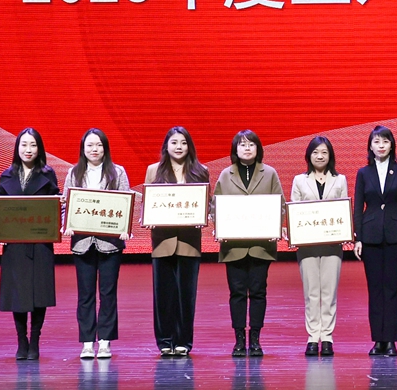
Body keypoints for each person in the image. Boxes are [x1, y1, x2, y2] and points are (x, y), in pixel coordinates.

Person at [62, 128, 131, 360]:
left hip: (110, 243)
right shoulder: (74, 172)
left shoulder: (117, 172)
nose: (94, 149)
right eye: (90, 145)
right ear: (83, 148)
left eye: (99, 145)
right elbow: (66, 204)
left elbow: (125, 203)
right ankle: (87, 342)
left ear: (105, 148)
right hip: (82, 242)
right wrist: (67, 223)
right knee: (85, 294)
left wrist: (124, 227)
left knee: (108, 293)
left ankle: (105, 341)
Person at [213, 129, 283, 357]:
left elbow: (280, 205)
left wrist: (275, 226)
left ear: (258, 149)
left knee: (258, 292)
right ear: (235, 149)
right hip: (233, 246)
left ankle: (255, 339)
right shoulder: (226, 174)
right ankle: (239, 340)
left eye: (251, 144)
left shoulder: (269, 173)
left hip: (261, 246)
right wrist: (220, 227)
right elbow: (215, 207)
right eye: (242, 144)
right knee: (237, 293)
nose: (247, 148)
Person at [144, 126, 209, 357]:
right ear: (166, 146)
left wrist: (204, 216)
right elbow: (148, 203)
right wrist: (147, 217)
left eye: (183, 142)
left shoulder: (201, 171)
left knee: (186, 295)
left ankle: (183, 341)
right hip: (162, 241)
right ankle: (164, 340)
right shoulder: (154, 170)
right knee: (163, 293)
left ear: (189, 146)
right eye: (174, 142)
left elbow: (206, 205)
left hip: (189, 241)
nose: (179, 147)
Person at [0, 127, 59, 361]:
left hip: (40, 244)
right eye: (24, 145)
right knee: (18, 294)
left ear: (39, 148)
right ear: (17, 148)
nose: (28, 149)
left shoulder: (48, 175)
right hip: (15, 246)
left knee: (38, 293)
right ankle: (21, 340)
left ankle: (35, 341)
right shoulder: (6, 175)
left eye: (33, 145)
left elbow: (56, 208)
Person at [353, 125, 397, 357]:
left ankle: (390, 340)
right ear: (370, 146)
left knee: (392, 289)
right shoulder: (363, 173)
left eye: (385, 142)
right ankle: (378, 340)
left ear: (391, 145)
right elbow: (358, 207)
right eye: (377, 142)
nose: (381, 146)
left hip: (395, 235)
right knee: (375, 289)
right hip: (370, 237)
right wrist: (358, 237)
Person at [289, 136, 349, 357]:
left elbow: (343, 211)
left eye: (324, 152)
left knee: (329, 292)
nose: (320, 156)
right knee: (312, 292)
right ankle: (313, 336)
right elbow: (294, 212)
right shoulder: (299, 180)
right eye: (315, 152)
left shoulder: (340, 180)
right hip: (308, 246)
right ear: (309, 156)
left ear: (330, 155)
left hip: (332, 245)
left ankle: (328, 337)